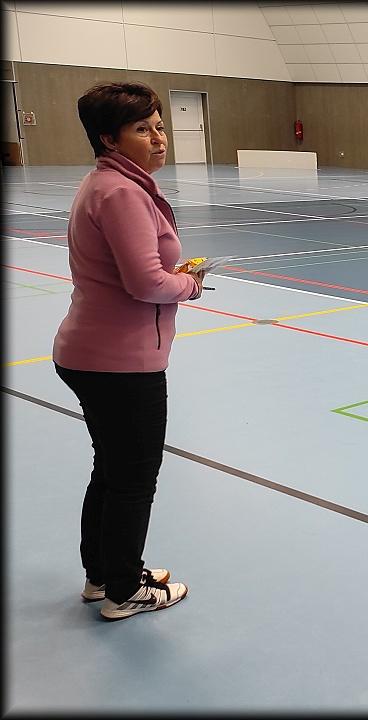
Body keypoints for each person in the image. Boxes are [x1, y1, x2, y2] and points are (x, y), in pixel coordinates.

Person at [55, 81, 199, 620]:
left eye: (159, 126)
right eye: (143, 129)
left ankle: (104, 575)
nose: (159, 138)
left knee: (112, 471)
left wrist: (169, 276)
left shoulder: (109, 183)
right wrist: (189, 284)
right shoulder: (121, 193)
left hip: (95, 353)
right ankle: (123, 590)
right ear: (109, 139)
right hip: (119, 363)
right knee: (134, 479)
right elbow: (146, 283)